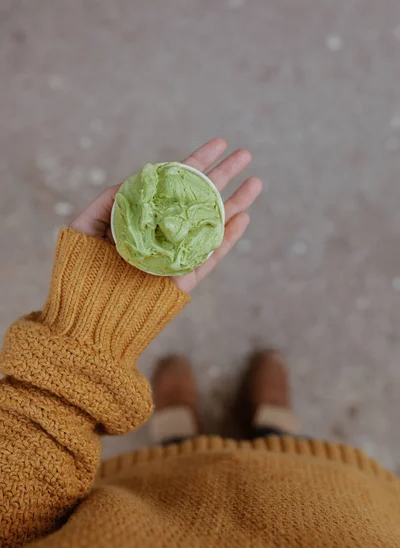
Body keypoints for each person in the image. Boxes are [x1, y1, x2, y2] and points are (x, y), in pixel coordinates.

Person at [0, 138, 399, 548]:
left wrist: (65, 373)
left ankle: (180, 437)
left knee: (180, 464)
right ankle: (272, 432)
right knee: (288, 470)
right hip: (332, 512)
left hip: (150, 510)